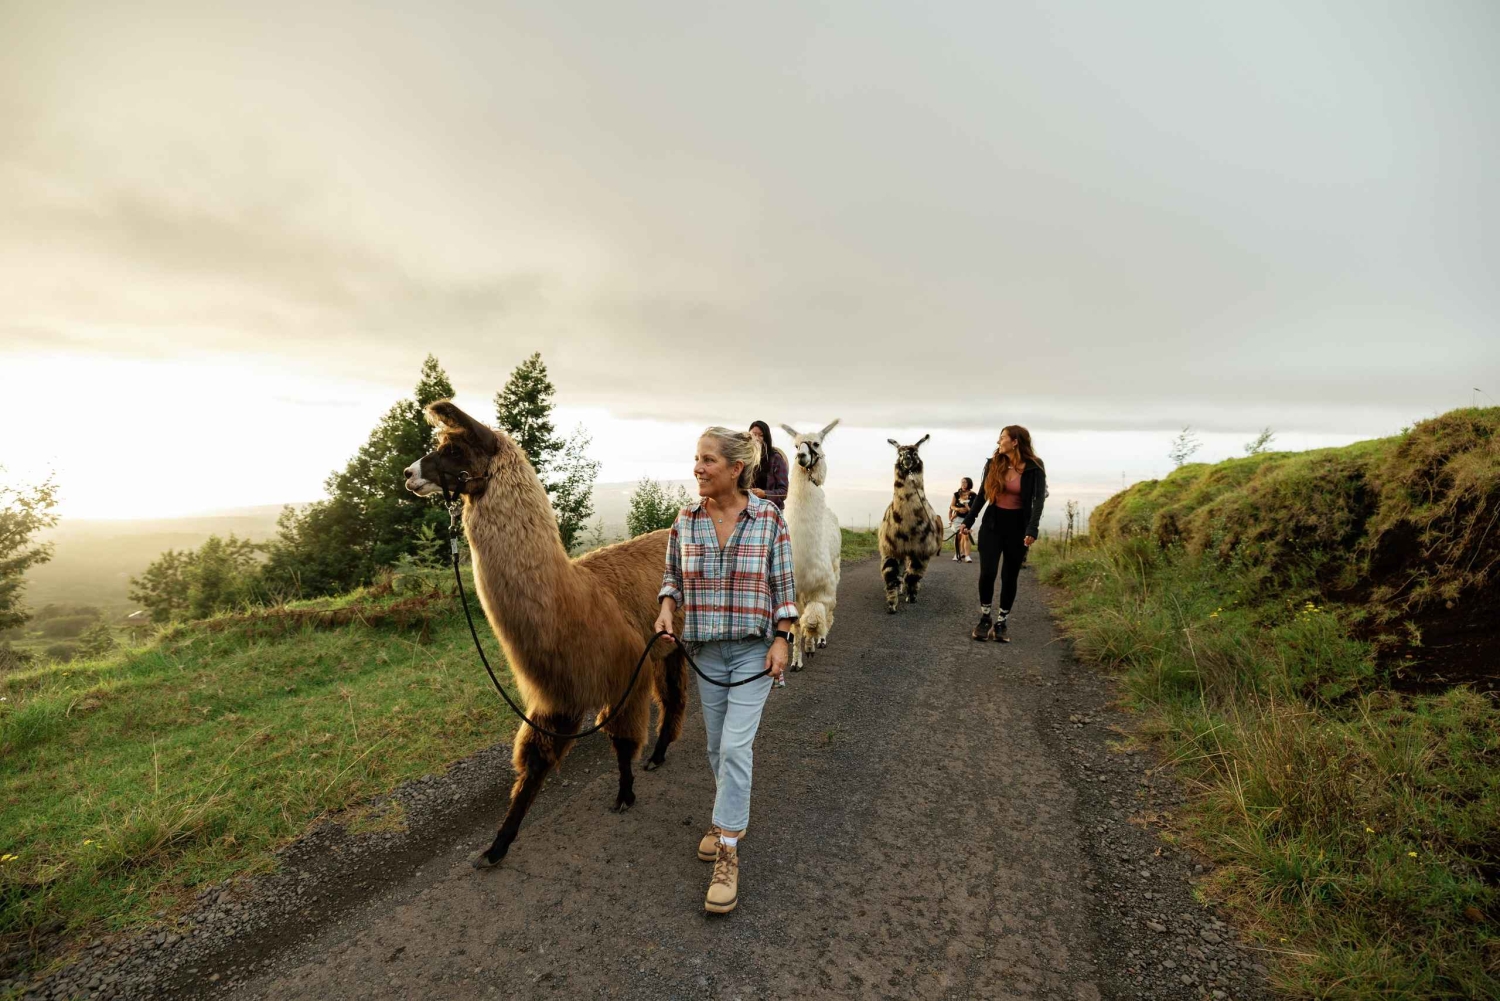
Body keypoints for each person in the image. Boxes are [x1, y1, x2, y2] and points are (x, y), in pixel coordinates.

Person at [655, 426, 796, 914]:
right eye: (696, 458)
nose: (698, 467)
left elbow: (785, 587)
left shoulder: (768, 519)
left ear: (736, 469)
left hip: (755, 652)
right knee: (716, 747)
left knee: (736, 746)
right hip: (707, 653)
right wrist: (667, 609)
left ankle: (728, 851)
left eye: (708, 460)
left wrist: (782, 639)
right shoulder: (686, 520)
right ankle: (726, 820)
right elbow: (672, 576)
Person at [963, 426, 1046, 643]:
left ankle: (1001, 622)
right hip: (993, 523)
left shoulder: (1034, 466)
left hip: (1018, 526)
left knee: (1010, 576)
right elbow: (982, 494)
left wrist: (1032, 528)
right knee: (988, 572)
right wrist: (969, 520)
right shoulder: (994, 463)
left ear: (1015, 442)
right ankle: (985, 618)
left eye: (1002, 438)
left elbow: (1038, 501)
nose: (999, 442)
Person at [747, 420, 789, 510]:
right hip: (749, 510)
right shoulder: (744, 458)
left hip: (771, 511)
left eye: (761, 435)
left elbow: (784, 492)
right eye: (754, 434)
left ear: (766, 438)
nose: (757, 438)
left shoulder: (776, 459)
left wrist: (764, 493)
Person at [949, 476, 975, 563]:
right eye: (962, 482)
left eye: (965, 482)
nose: (963, 484)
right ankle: (957, 554)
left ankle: (967, 556)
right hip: (958, 518)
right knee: (958, 537)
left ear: (969, 483)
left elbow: (974, 509)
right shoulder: (956, 494)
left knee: (966, 536)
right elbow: (952, 506)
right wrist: (958, 509)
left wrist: (967, 507)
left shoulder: (973, 495)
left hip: (968, 519)